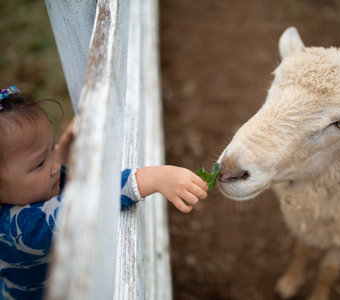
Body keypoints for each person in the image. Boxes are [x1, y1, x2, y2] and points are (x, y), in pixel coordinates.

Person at [0, 86, 208, 299]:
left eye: (50, 148)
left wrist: (64, 146)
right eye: (40, 163)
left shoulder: (26, 188)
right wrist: (150, 179)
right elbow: (85, 203)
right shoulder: (20, 230)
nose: (54, 165)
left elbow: (55, 173)